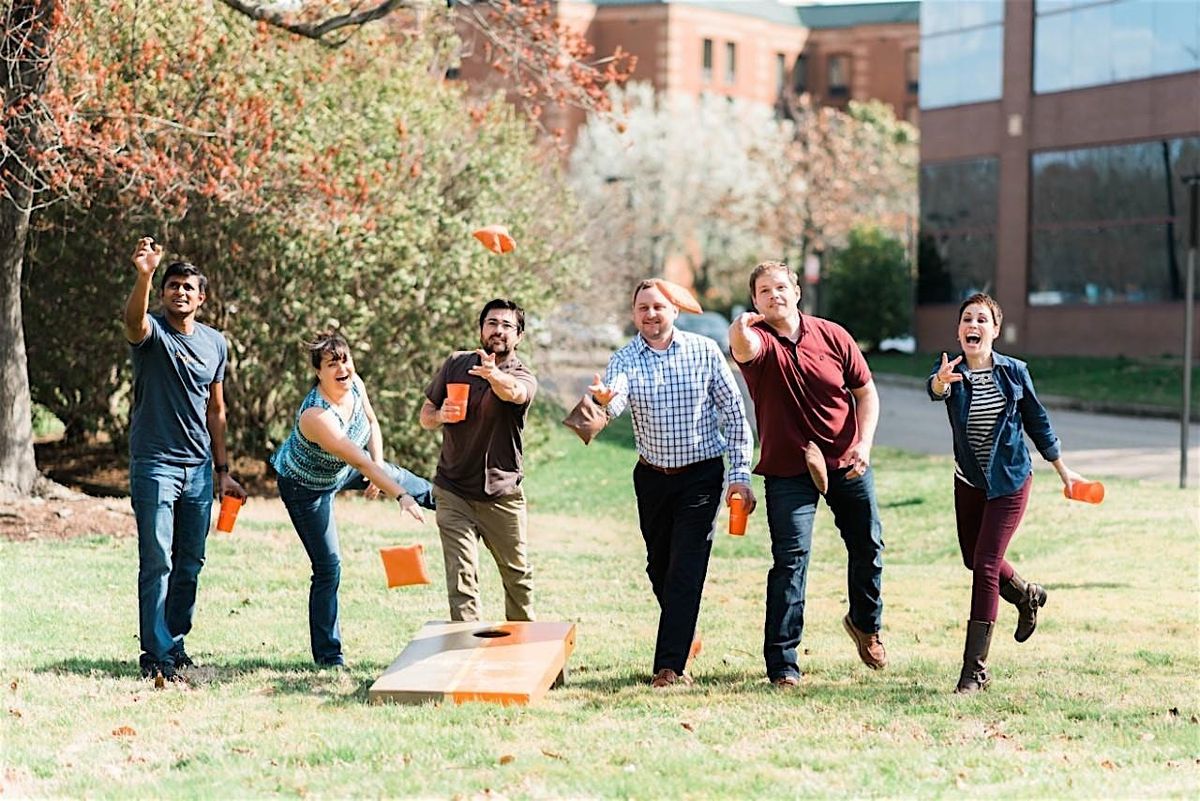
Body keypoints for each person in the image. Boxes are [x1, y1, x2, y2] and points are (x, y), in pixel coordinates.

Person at [729, 261, 887, 689]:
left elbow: (865, 392)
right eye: (764, 291)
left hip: (846, 462)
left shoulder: (833, 335)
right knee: (790, 560)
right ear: (755, 301)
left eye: (781, 287)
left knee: (868, 545)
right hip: (787, 471)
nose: (774, 295)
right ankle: (782, 664)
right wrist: (739, 329)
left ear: (796, 291)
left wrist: (864, 444)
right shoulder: (758, 340)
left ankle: (865, 623)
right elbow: (743, 350)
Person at [589, 279, 754, 688]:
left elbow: (734, 417)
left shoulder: (704, 352)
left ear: (674, 311)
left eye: (658, 307)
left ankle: (669, 666)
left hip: (701, 475)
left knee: (685, 568)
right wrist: (604, 402)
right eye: (642, 307)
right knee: (658, 566)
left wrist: (739, 476)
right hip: (652, 477)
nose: (650, 314)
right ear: (633, 314)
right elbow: (617, 397)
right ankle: (684, 631)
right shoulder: (625, 358)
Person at [927, 293, 1084, 693]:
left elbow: (1037, 421)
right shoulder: (951, 369)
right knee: (973, 558)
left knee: (984, 564)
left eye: (982, 320)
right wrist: (940, 382)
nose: (972, 325)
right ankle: (1027, 595)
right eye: (966, 319)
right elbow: (935, 389)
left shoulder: (1014, 372)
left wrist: (1063, 472)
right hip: (969, 480)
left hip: (1010, 480)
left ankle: (974, 672)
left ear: (995, 330)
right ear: (960, 329)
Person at [124, 237, 247, 682]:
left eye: (188, 287)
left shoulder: (216, 344)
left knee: (190, 560)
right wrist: (144, 274)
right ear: (164, 293)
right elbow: (132, 322)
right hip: (154, 462)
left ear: (202, 297)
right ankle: (154, 653)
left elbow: (217, 409)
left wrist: (223, 470)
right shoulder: (152, 332)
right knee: (157, 559)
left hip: (198, 468)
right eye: (172, 285)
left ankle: (174, 642)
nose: (179, 292)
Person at [271, 332, 434, 668]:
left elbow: (371, 423)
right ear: (319, 372)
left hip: (344, 468)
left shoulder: (355, 384)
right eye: (333, 364)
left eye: (345, 360)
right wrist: (398, 495)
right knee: (328, 567)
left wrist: (380, 468)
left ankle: (454, 503)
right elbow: (358, 461)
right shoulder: (317, 417)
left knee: (395, 472)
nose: (342, 368)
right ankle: (329, 657)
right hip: (305, 487)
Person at [420, 299, 538, 623]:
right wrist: (440, 414)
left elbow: (515, 393)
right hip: (453, 489)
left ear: (519, 336)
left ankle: (525, 653)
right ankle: (467, 656)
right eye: (492, 323)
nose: (498, 330)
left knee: (517, 576)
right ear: (481, 328)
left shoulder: (523, 375)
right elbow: (426, 415)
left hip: (501, 493)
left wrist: (493, 375)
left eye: (506, 325)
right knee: (461, 578)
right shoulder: (456, 363)